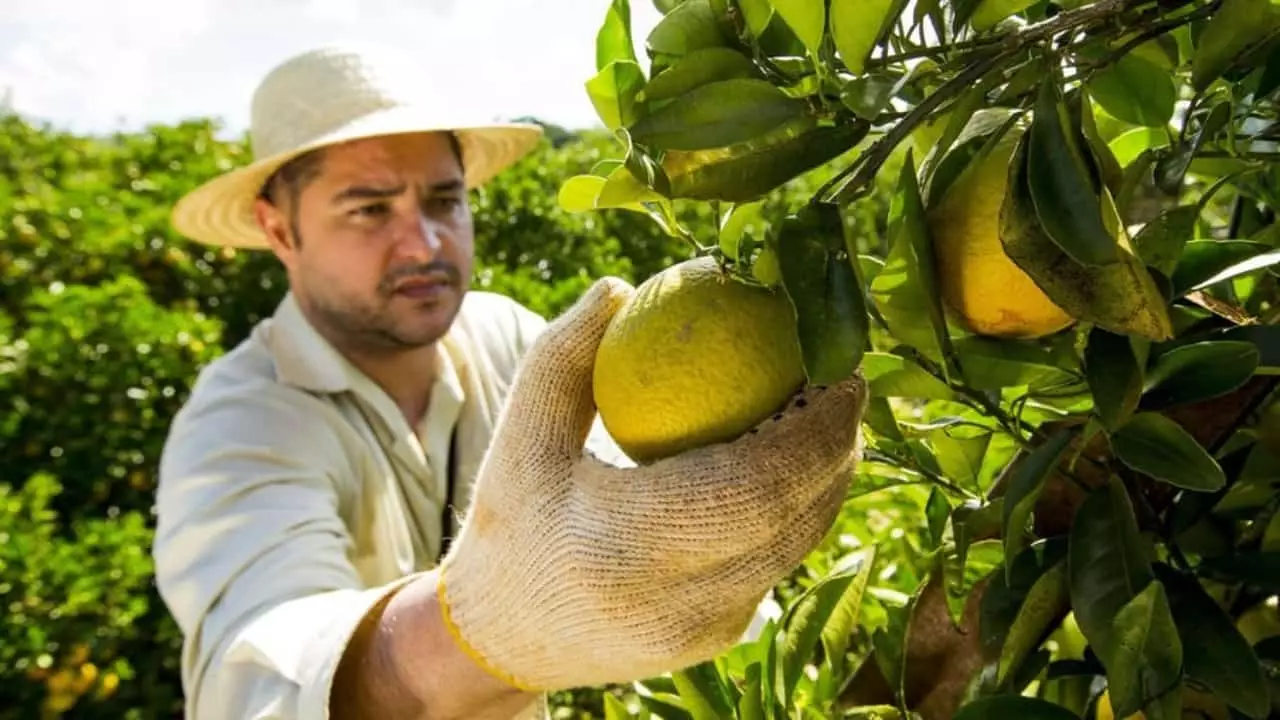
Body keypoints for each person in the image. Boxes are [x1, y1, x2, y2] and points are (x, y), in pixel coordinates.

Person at [152, 44, 869, 720]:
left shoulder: (507, 339)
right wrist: (480, 622)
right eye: (370, 209)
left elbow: (654, 523)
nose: (424, 244)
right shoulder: (240, 422)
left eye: (443, 201)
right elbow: (259, 680)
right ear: (280, 231)